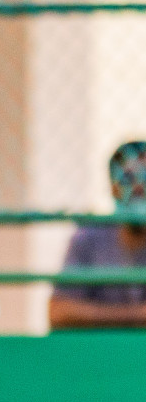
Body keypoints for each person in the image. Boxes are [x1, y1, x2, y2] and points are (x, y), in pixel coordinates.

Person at [49, 141, 146, 330]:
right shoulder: (90, 237)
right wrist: (136, 315)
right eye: (128, 179)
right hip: (100, 353)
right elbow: (59, 312)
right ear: (113, 187)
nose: (138, 189)